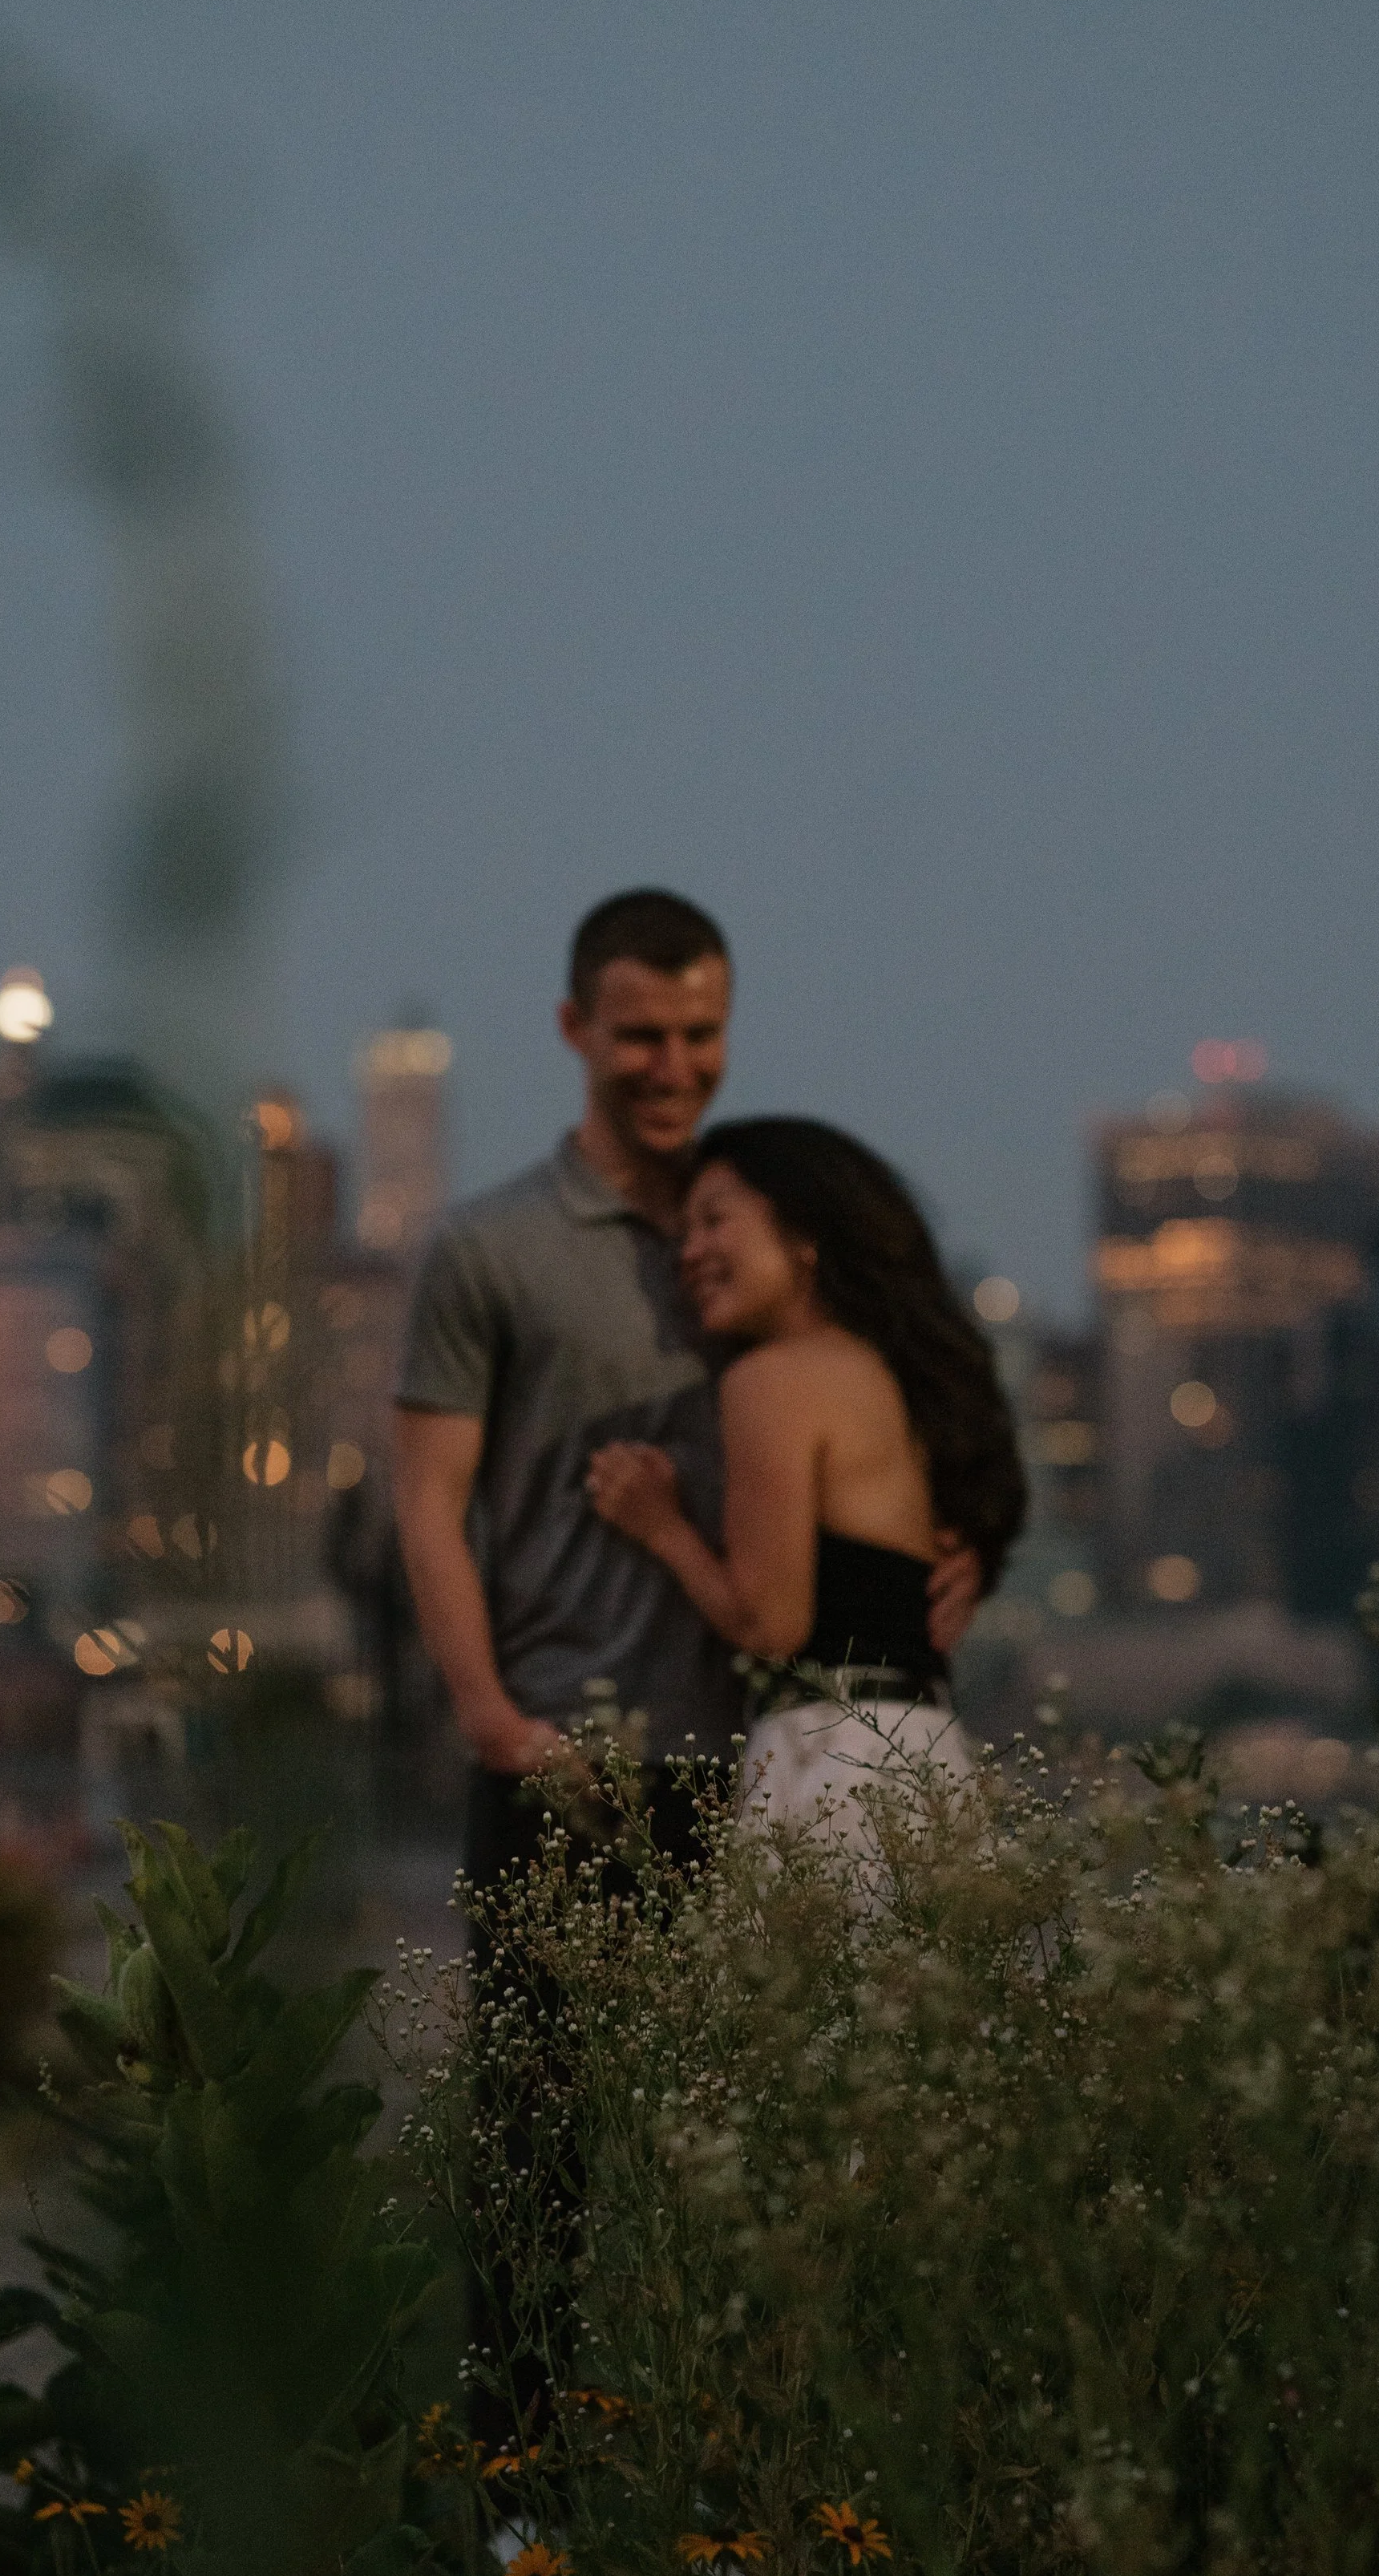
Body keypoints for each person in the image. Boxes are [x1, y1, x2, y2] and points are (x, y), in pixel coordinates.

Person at [392, 893, 984, 2439]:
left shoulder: (760, 1231)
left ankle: (725, 2522)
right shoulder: (492, 1248)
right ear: (575, 1030)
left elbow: (917, 1397)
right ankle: (518, 2529)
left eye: (700, 1034)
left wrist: (962, 1555)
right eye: (640, 1034)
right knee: (538, 2165)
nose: (672, 1065)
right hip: (567, 1756)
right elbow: (426, 1501)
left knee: (746, 2184)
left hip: (764, 1780)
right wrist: (488, 1717)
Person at [584, 1116, 1024, 1845]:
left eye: (714, 1220)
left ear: (804, 1233)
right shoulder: (894, 1378)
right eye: (684, 1233)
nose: (689, 1253)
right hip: (928, 1752)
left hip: (831, 1763)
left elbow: (770, 1625)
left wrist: (660, 1525)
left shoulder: (772, 1380)